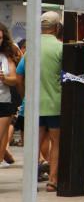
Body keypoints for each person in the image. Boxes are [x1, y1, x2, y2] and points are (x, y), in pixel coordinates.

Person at [15, 11, 64, 191]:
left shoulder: (31, 49)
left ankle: (31, 181)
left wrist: (24, 95)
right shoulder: (60, 48)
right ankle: (52, 181)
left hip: (33, 105)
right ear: (57, 27)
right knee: (56, 142)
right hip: (55, 104)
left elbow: (19, 77)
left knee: (34, 143)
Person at [0, 22, 22, 169]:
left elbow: (14, 80)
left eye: (0, 38)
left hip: (4, 102)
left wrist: (4, 79)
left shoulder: (6, 56)